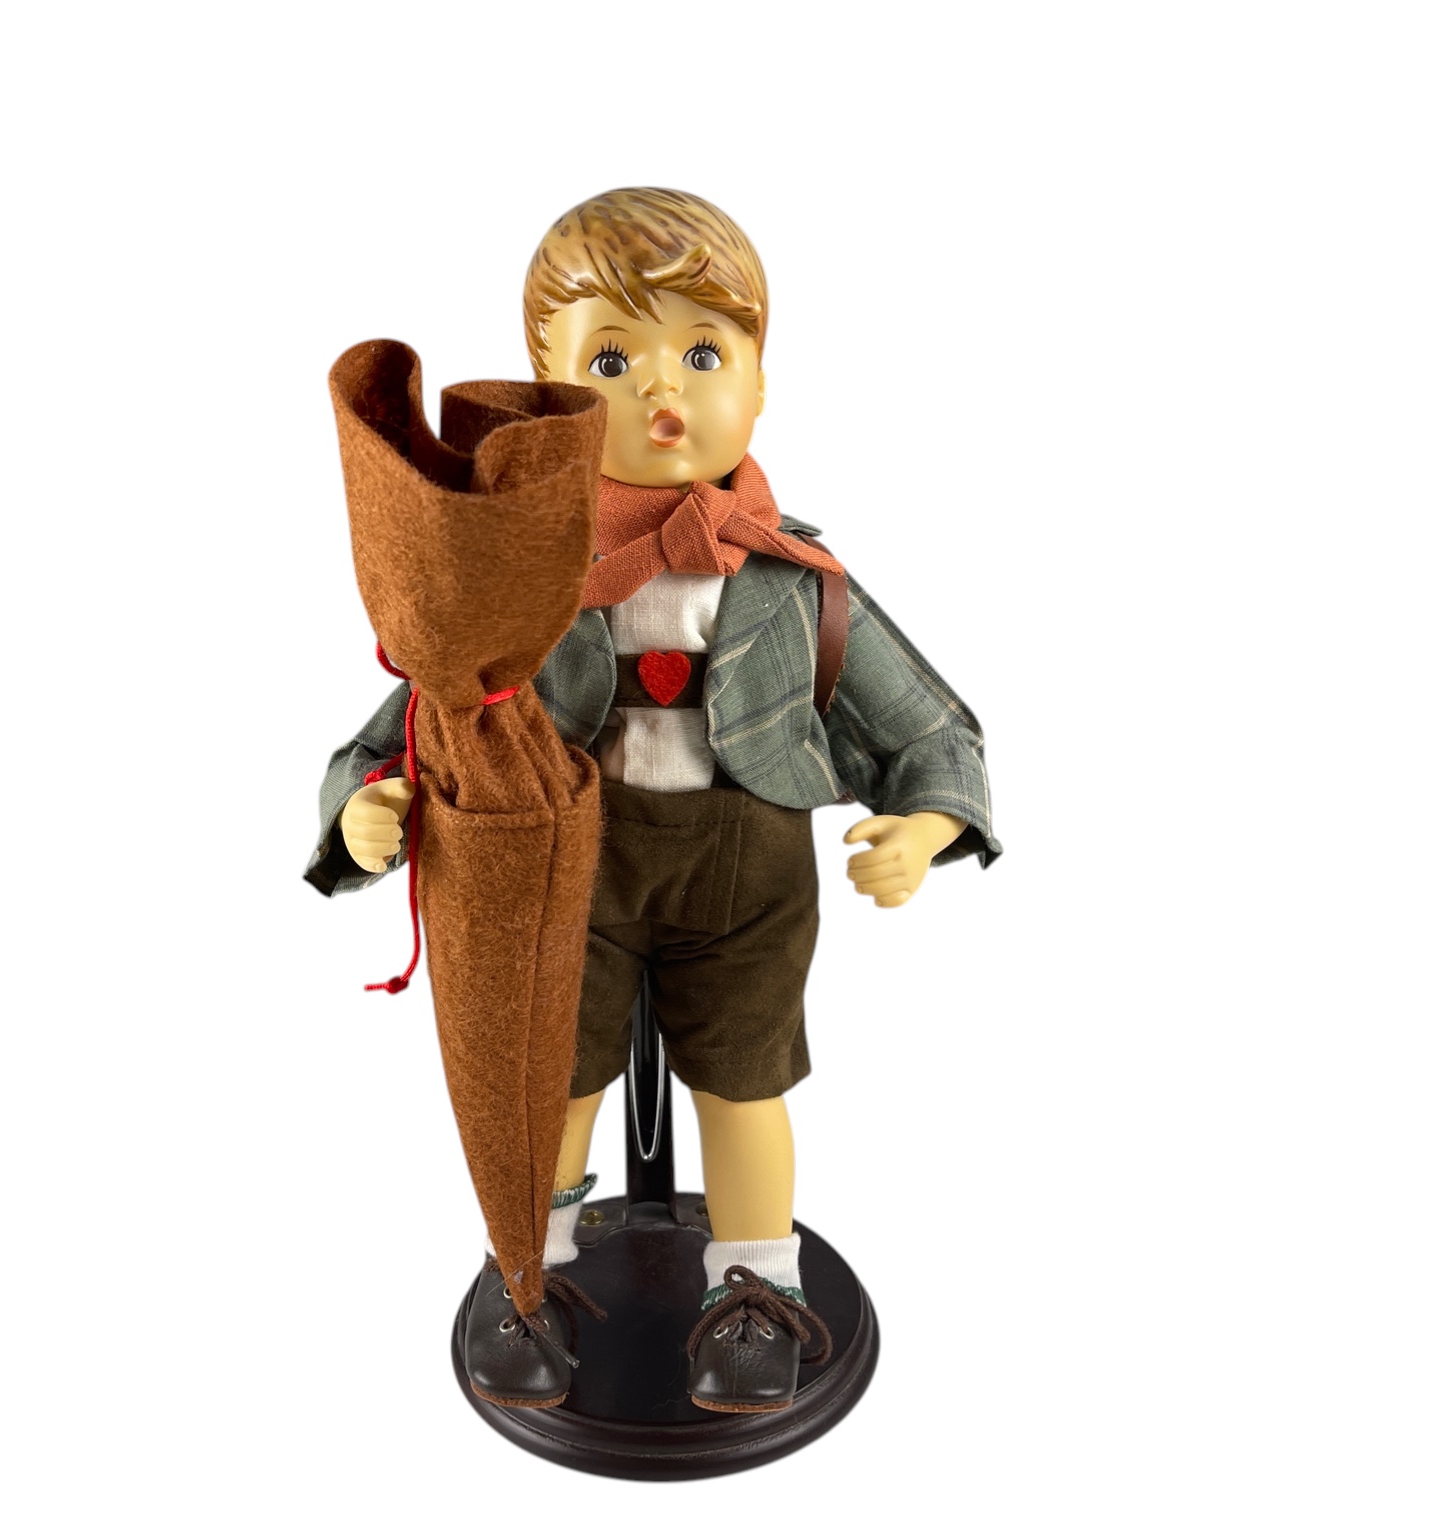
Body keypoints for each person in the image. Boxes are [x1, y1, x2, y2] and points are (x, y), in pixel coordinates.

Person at [307, 187, 999, 1413]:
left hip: (746, 872)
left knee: (743, 1086)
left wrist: (927, 820)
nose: (660, 390)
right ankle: (529, 1275)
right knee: (551, 1080)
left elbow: (929, 725)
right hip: (566, 873)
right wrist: (375, 805)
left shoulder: (795, 578)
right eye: (611, 362)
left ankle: (755, 1290)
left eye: (704, 353)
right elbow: (411, 720)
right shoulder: (517, 581)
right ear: (551, 395)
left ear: (761, 381)